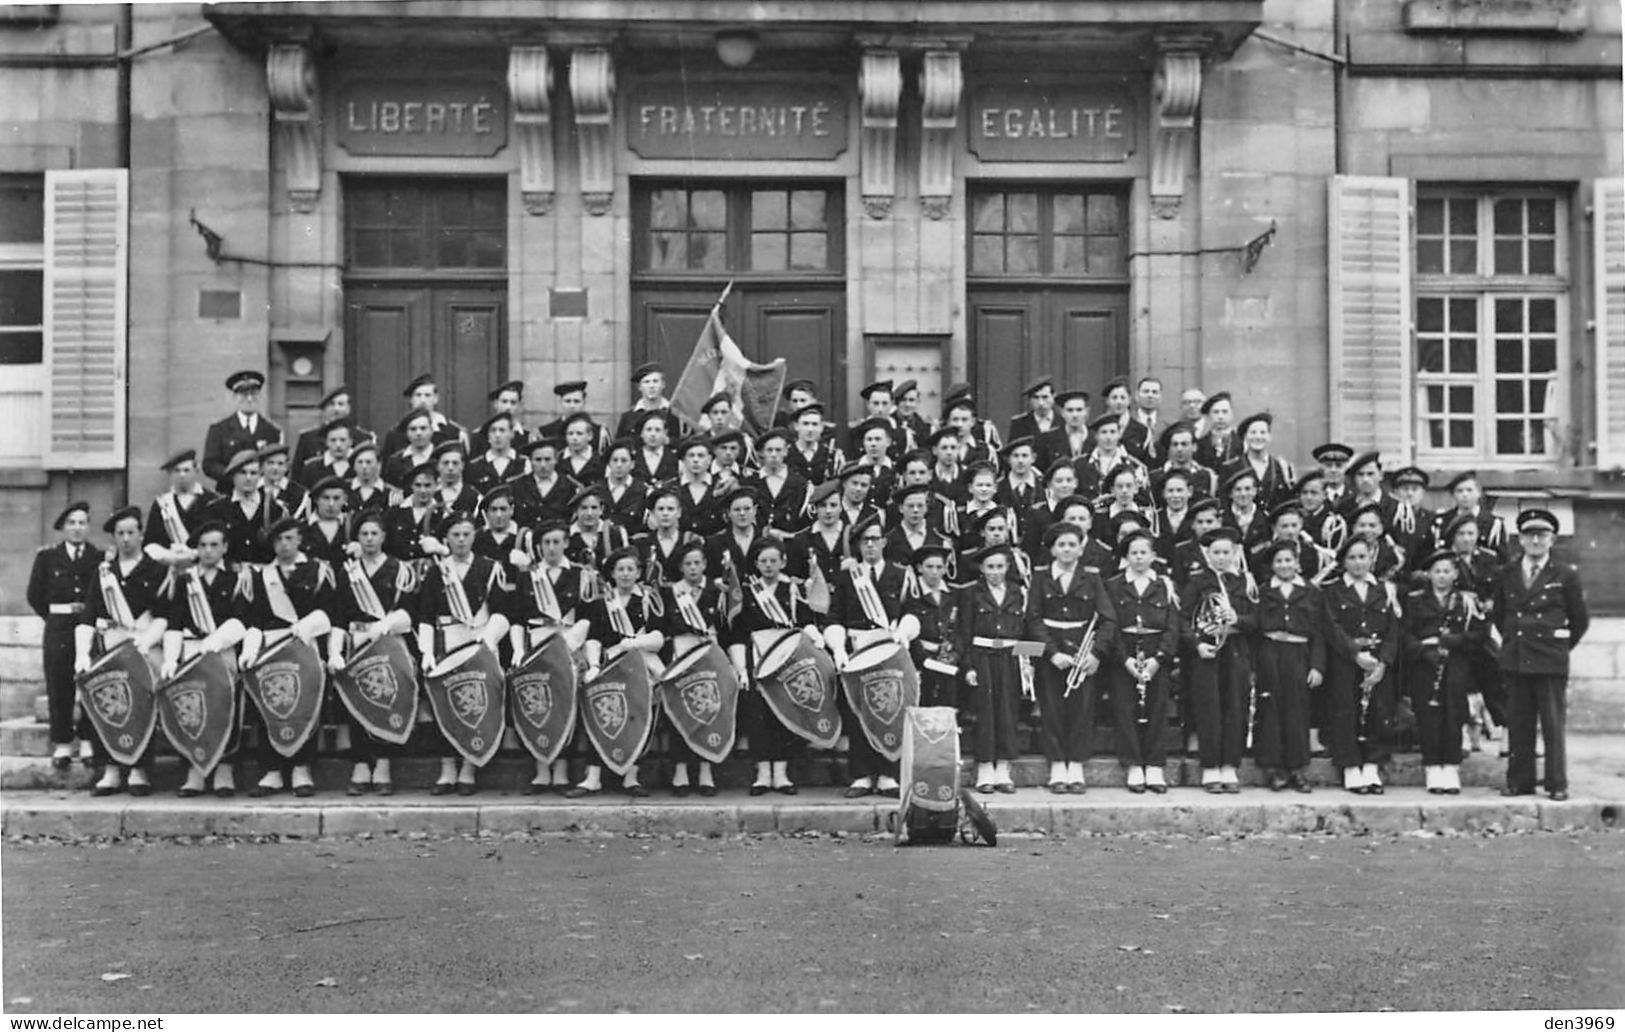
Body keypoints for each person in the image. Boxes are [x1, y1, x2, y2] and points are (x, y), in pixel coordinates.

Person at [1492, 509, 1589, 802]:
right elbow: (1499, 615)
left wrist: (1557, 648)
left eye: (1542, 535)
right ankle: (1519, 782)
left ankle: (1557, 783)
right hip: (1517, 657)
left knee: (1552, 724)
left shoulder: (1565, 575)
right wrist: (1515, 643)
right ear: (1520, 539)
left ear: (1552, 539)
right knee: (1519, 722)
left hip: (1549, 660)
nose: (1536, 540)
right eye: (1529, 535)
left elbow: (1579, 620)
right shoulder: (1506, 573)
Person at [415, 512, 514, 796]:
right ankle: (448, 769)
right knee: (445, 706)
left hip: (479, 641)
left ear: (474, 536)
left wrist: (489, 638)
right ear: (446, 538)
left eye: (466, 534)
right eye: (455, 535)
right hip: (447, 642)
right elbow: (425, 614)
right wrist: (426, 651)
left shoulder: (489, 567)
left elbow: (503, 611)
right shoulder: (437, 570)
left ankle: (470, 767)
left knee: (476, 706)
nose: (460, 540)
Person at [237, 516, 337, 798]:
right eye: (278, 540)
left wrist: (310, 625)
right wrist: (250, 647)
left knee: (306, 706)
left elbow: (330, 612)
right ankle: (272, 771)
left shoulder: (317, 571)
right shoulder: (260, 576)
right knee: (272, 705)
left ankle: (302, 768)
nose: (284, 545)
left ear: (300, 540)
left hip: (304, 646)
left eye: (289, 538)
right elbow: (254, 619)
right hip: (271, 648)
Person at [71, 506, 167, 794]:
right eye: (120, 533)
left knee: (142, 704)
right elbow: (88, 615)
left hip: (142, 644)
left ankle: (139, 769)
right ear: (114, 537)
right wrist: (82, 654)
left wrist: (149, 639)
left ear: (141, 535)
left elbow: (164, 614)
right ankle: (111, 768)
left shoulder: (156, 570)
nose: (126, 539)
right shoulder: (103, 573)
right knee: (107, 702)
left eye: (131, 533)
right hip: (111, 645)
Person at [328, 511, 420, 796]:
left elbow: (409, 613)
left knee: (388, 698)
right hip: (356, 642)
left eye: (374, 534)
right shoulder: (347, 572)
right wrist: (334, 651)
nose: (369, 539)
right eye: (364, 534)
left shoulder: (400, 569)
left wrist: (383, 626)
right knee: (358, 701)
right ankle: (360, 764)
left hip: (389, 641)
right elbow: (338, 617)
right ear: (357, 538)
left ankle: (383, 763)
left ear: (384, 537)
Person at [1025, 521, 1118, 793]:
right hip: (1051, 652)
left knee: (1082, 709)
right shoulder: (1040, 577)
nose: (1066, 550)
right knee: (1051, 708)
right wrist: (1052, 653)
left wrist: (1095, 653)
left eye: (1072, 545)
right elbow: (1032, 618)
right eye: (1061, 545)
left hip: (1082, 652)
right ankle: (1057, 766)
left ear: (1080, 550)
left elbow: (1108, 619)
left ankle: (1076, 765)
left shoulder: (1092, 578)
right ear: (1053, 550)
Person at [158, 521, 249, 797]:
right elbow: (174, 621)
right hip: (192, 651)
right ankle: (194, 771)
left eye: (214, 545)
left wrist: (218, 641)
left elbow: (241, 619)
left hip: (222, 651)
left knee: (226, 708)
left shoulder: (236, 579)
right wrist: (171, 658)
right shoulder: (186, 580)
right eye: (202, 546)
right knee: (191, 709)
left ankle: (225, 769)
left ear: (225, 548)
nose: (208, 551)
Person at [568, 547, 665, 797]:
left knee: (638, 719)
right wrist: (594, 666)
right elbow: (594, 639)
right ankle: (592, 778)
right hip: (610, 667)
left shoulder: (648, 601)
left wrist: (631, 644)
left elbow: (658, 638)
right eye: (620, 569)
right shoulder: (602, 604)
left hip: (640, 666)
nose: (625, 574)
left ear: (638, 573)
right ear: (612, 573)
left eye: (630, 569)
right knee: (601, 718)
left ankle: (631, 778)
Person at [824, 514, 909, 798]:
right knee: (859, 711)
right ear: (858, 545)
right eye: (865, 540)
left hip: (889, 651)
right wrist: (838, 647)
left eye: (875, 539)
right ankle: (861, 775)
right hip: (858, 650)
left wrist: (904, 631)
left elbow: (911, 610)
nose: (871, 545)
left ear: (884, 542)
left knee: (888, 710)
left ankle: (887, 774)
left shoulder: (899, 574)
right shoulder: (847, 577)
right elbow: (834, 615)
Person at [508, 519, 595, 793]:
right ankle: (541, 770)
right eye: (546, 542)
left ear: (567, 543)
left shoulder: (581, 575)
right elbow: (518, 617)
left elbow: (589, 616)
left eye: (557, 542)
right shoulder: (528, 576)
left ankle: (561, 770)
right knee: (537, 705)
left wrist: (571, 642)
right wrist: (519, 649)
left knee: (565, 706)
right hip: (537, 644)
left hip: (568, 643)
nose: (552, 548)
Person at [728, 537, 818, 795]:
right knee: (759, 715)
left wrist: (815, 636)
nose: (768, 566)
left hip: (787, 658)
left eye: (773, 561)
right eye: (763, 561)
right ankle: (762, 773)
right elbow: (737, 633)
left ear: (783, 562)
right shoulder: (746, 592)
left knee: (785, 714)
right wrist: (741, 668)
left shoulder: (793, 590)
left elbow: (805, 621)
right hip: (758, 656)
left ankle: (781, 772)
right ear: (756, 563)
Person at [1320, 535, 1401, 794]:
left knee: (1378, 711)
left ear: (1371, 559)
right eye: (1352, 558)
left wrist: (1383, 663)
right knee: (1346, 710)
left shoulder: (1384, 589)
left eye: (1363, 557)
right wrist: (1355, 653)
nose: (1358, 563)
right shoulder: (1333, 590)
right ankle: (1350, 766)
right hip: (1346, 660)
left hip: (1377, 661)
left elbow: (1393, 630)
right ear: (1343, 561)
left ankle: (1371, 765)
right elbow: (1331, 627)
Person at [1403, 549, 1488, 795]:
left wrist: (1454, 641)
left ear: (1455, 574)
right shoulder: (1415, 600)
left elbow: (1479, 633)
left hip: (1455, 664)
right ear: (1429, 574)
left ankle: (1450, 767)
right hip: (1425, 664)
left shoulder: (1466, 601)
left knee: (1454, 713)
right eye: (1437, 571)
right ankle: (1432, 767)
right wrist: (1422, 651)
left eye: (1447, 571)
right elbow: (1405, 634)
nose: (1442, 576)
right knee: (1428, 715)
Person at [1179, 525, 1256, 793]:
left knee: (1235, 708)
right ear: (1207, 554)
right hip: (1207, 654)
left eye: (1227, 552)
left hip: (1236, 652)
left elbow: (1258, 618)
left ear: (1235, 553)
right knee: (1209, 708)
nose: (1222, 557)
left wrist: (1239, 620)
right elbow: (1184, 618)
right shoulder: (1199, 581)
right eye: (1216, 552)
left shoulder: (1245, 581)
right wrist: (1196, 644)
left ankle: (1230, 766)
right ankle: (1210, 766)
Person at [1103, 530, 1179, 794]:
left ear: (1153, 555)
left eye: (1143, 552)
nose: (1138, 558)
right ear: (1126, 557)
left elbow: (1172, 626)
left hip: (1155, 654)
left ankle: (1155, 765)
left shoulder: (1164, 585)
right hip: (1123, 654)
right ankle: (1133, 764)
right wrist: (1123, 660)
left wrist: (1160, 659)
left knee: (1157, 708)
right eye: (1133, 553)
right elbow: (1109, 625)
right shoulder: (1113, 585)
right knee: (1125, 709)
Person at [1252, 538, 1326, 793]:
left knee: (1297, 711)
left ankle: (1297, 768)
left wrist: (1317, 666)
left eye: (1288, 560)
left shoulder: (1312, 592)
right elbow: (1256, 628)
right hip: (1271, 653)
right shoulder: (1263, 591)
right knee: (1271, 709)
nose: (1284, 565)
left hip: (1299, 654)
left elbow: (1319, 631)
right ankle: (1275, 769)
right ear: (1272, 565)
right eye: (1279, 561)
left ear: (1297, 563)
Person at [655, 541, 728, 796]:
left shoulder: (716, 591)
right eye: (688, 564)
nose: (693, 568)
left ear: (705, 564)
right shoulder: (672, 592)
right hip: (681, 653)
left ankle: (706, 768)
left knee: (708, 710)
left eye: (698, 563)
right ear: (680, 567)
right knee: (681, 710)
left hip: (709, 654)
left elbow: (724, 626)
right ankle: (681, 771)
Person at [957, 543, 1026, 794]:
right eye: (990, 567)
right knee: (984, 711)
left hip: (1010, 658)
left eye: (1000, 566)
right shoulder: (972, 594)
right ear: (982, 569)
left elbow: (1025, 630)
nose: (995, 572)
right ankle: (985, 767)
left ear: (1008, 567)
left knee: (1008, 711)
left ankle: (1003, 768)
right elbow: (963, 633)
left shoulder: (1019, 592)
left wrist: (1028, 664)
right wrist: (968, 667)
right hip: (982, 656)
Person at [202, 449, 289, 568]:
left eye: (253, 473)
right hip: (229, 577)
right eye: (242, 473)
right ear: (233, 476)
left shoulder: (275, 510)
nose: (248, 478)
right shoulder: (216, 510)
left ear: (260, 475)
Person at [202, 370, 283, 491]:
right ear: (235, 397)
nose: (249, 399)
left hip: (261, 494)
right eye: (244, 394)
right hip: (228, 493)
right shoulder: (219, 429)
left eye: (254, 393)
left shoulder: (272, 431)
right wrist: (234, 476)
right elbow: (209, 464)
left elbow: (277, 463)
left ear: (260, 396)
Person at [901, 544, 958, 709]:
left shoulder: (953, 595)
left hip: (949, 662)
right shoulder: (913, 595)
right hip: (924, 662)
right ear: (919, 568)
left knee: (948, 710)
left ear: (946, 569)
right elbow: (910, 632)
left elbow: (960, 629)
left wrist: (955, 655)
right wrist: (922, 659)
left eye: (939, 567)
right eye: (929, 567)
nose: (934, 572)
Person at [143, 449, 218, 565]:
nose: (182, 475)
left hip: (205, 567)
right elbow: (151, 543)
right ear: (170, 474)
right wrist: (169, 556)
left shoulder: (212, 501)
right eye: (177, 471)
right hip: (171, 569)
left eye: (186, 470)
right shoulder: (162, 504)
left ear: (196, 470)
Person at [380, 373, 468, 457]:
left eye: (427, 395)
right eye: (418, 395)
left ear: (436, 398)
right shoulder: (396, 434)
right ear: (411, 399)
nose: (423, 400)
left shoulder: (453, 433)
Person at [1222, 412, 1295, 511]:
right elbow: (1224, 503)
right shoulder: (1231, 467)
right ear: (1245, 437)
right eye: (1253, 433)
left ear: (1269, 437)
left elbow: (1288, 501)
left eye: (1263, 432)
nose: (1258, 437)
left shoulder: (1282, 467)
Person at [1432, 470, 1509, 561]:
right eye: (1459, 491)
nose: (1465, 495)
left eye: (1469, 490)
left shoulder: (1493, 524)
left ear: (1479, 493)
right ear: (1453, 495)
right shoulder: (1442, 522)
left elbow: (1501, 559)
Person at [293, 384, 371, 472]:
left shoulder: (363, 438)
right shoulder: (308, 439)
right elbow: (297, 477)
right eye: (331, 404)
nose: (336, 409)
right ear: (324, 410)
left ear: (348, 408)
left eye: (340, 404)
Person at [747, 428, 811, 535]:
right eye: (769, 450)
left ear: (786, 452)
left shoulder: (799, 483)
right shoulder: (751, 482)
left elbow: (802, 521)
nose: (773, 455)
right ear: (762, 453)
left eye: (778, 450)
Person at [509, 436, 578, 531]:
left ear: (556, 460)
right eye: (538, 460)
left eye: (547, 459)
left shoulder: (569, 486)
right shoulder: (518, 486)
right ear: (531, 461)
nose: (543, 465)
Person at [615, 362, 686, 443]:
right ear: (639, 387)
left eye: (655, 381)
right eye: (647, 382)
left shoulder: (675, 415)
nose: (651, 386)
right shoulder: (627, 418)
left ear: (663, 384)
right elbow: (619, 446)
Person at [537, 380, 612, 455]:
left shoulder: (598, 432)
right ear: (560, 402)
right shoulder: (546, 432)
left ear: (584, 403)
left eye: (576, 401)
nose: (572, 406)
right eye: (567, 401)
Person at [465, 411, 528, 494]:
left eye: (502, 430)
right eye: (493, 431)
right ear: (488, 436)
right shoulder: (475, 466)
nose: (497, 435)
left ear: (511, 434)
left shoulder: (524, 463)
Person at [468, 380, 530, 457]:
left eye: (513, 402)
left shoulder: (527, 437)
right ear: (496, 404)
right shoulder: (480, 436)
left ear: (520, 405)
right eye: (504, 401)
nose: (508, 407)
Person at [786, 402, 843, 484]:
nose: (810, 429)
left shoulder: (833, 456)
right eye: (805, 424)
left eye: (815, 424)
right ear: (796, 426)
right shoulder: (785, 454)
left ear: (821, 427)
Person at [301, 477, 353, 567]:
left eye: (336, 498)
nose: (331, 504)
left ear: (345, 500)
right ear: (316, 499)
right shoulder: (302, 527)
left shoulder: (352, 525)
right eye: (326, 498)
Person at [1035, 388, 1091, 470]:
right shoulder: (1048, 438)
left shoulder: (1096, 437)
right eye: (1070, 410)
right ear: (1063, 413)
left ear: (1086, 411)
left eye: (1079, 410)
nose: (1075, 415)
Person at [383, 408, 438, 490]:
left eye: (423, 428)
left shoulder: (440, 458)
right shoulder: (396, 461)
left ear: (431, 430)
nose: (418, 433)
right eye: (413, 429)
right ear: (406, 433)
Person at [296, 419, 358, 489]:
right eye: (333, 440)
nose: (338, 445)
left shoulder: (361, 464)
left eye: (342, 440)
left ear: (350, 441)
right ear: (326, 442)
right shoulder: (311, 468)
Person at [257, 442, 308, 523]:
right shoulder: (252, 489)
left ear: (287, 467)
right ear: (262, 466)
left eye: (280, 464)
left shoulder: (299, 494)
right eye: (270, 463)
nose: (275, 468)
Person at [1121, 376, 1164, 465]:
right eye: (1146, 391)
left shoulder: (1168, 425)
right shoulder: (1126, 422)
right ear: (1137, 395)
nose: (1150, 395)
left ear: (1160, 397)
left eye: (1154, 392)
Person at [1193, 391, 1240, 471]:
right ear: (1208, 416)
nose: (1220, 417)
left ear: (1232, 415)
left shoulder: (1241, 441)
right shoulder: (1201, 444)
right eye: (1216, 412)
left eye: (1225, 412)